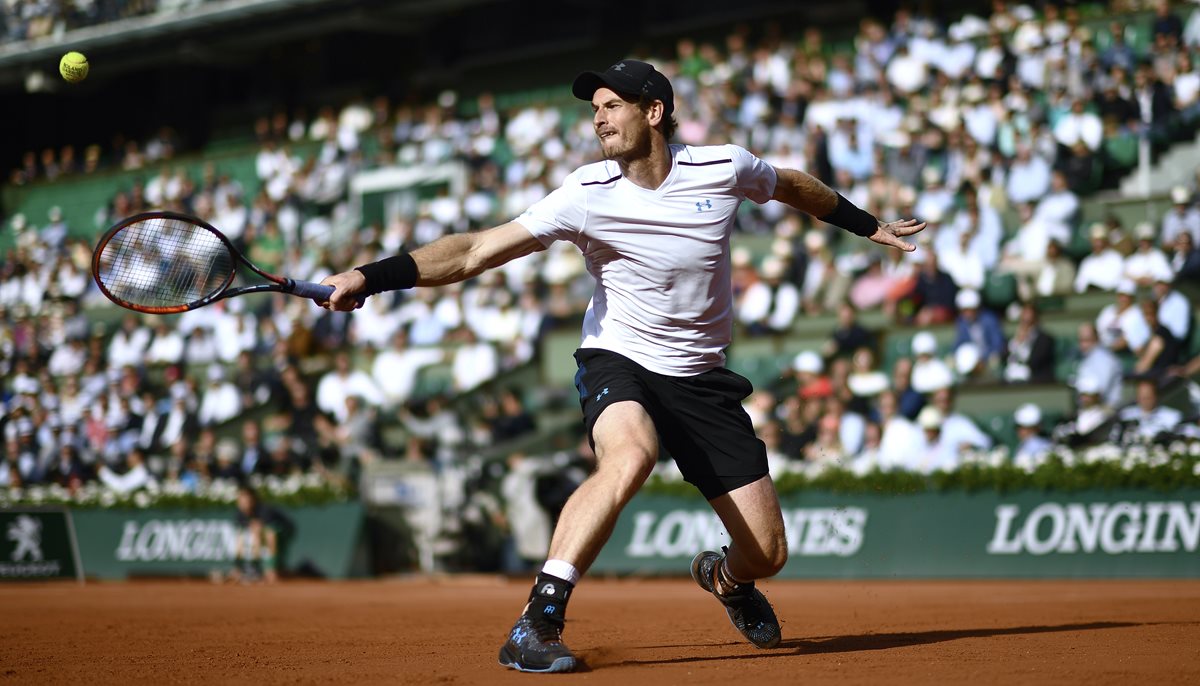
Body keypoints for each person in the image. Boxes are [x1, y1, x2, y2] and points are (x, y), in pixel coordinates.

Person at [318, 59, 923, 673]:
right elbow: (476, 250)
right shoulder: (585, 192)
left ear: (653, 112)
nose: (599, 118)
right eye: (595, 109)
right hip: (619, 356)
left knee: (766, 553)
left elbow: (792, 185)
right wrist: (372, 276)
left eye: (612, 106)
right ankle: (538, 621)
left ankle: (724, 578)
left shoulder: (724, 166)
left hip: (701, 377)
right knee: (629, 455)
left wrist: (866, 224)